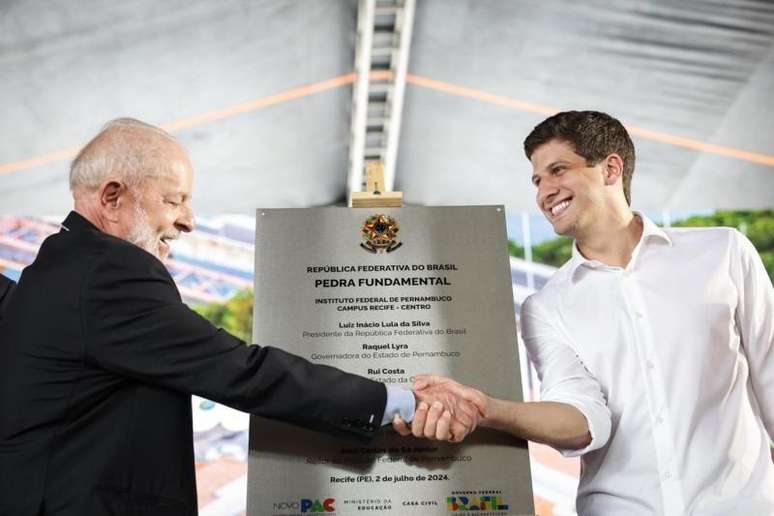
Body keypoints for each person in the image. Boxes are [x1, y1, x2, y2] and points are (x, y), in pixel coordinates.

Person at [0, 118, 479, 516]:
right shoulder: (107, 274)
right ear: (111, 198)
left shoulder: (58, 270)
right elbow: (242, 370)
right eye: (174, 199)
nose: (188, 220)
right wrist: (401, 402)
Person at [405, 111, 774, 515]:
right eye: (537, 180)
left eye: (557, 170)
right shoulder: (545, 308)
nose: (544, 191)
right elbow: (582, 418)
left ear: (610, 168)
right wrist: (485, 408)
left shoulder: (723, 252)